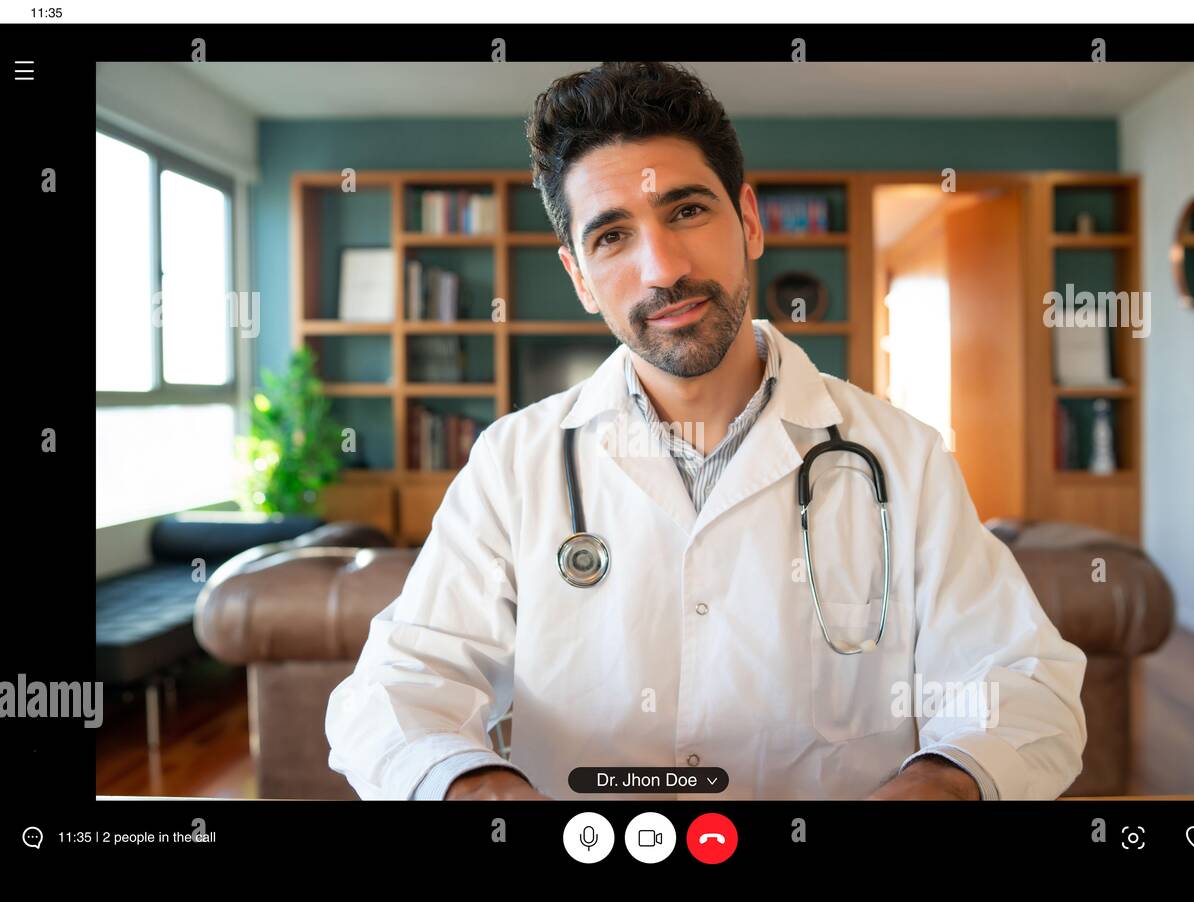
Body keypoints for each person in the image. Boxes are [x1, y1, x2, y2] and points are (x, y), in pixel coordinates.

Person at [324, 61, 1086, 801]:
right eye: (612, 236)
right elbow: (401, 685)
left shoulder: (903, 458)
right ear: (580, 278)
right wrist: (473, 785)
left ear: (748, 220)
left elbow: (1019, 681)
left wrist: (944, 783)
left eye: (687, 210)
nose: (663, 267)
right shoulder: (513, 463)